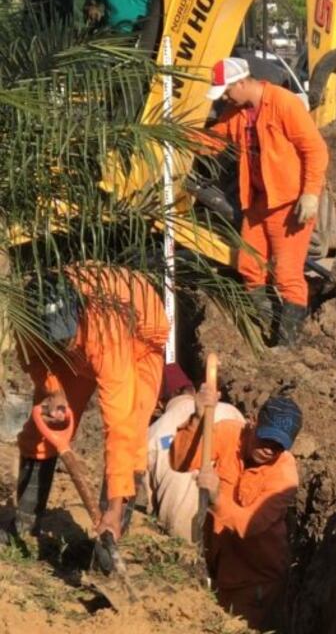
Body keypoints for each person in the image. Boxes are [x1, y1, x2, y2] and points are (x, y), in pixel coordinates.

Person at [5, 266, 168, 544]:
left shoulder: (108, 333)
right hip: (82, 342)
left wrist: (113, 508)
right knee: (42, 427)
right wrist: (52, 391)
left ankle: (111, 532)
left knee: (132, 435)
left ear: (78, 313)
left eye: (66, 336)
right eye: (55, 338)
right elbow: (31, 356)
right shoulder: (28, 314)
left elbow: (119, 427)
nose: (64, 344)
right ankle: (25, 522)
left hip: (139, 337)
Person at [203, 57, 329, 346]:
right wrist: (176, 138)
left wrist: (310, 193)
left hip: (290, 203)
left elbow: (316, 149)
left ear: (242, 82)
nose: (224, 97)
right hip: (259, 201)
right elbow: (213, 142)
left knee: (287, 274)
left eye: (226, 90)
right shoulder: (237, 113)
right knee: (249, 265)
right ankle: (265, 330)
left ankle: (287, 345)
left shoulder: (283, 103)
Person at [171, 389, 301, 630]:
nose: (269, 450)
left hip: (255, 582)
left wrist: (216, 496)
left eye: (278, 446)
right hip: (219, 566)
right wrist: (198, 419)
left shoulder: (284, 476)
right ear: (252, 421)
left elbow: (248, 524)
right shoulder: (229, 433)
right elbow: (180, 461)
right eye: (266, 439)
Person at [145, 364, 245, 543]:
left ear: (159, 402)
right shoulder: (231, 413)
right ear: (191, 390)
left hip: (179, 536)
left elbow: (150, 503)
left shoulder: (151, 434)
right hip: (230, 530)